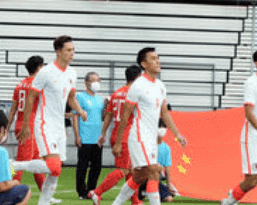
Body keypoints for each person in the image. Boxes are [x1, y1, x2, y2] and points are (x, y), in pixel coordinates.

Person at [15, 36, 89, 205]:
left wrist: (80, 111)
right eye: (68, 50)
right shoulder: (46, 72)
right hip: (44, 123)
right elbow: (31, 97)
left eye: (73, 50)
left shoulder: (72, 73)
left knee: (56, 171)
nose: (72, 53)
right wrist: (26, 124)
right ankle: (17, 165)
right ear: (58, 51)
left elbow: (71, 98)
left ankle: (43, 203)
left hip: (59, 127)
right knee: (53, 166)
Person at [109, 47, 187, 205]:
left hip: (151, 138)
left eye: (158, 58)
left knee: (139, 176)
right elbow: (125, 115)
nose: (157, 61)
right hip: (139, 136)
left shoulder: (160, 86)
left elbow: (164, 114)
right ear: (144, 64)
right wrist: (118, 143)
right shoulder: (138, 85)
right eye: (153, 58)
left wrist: (178, 134)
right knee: (153, 171)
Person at [220, 48, 257, 205]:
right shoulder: (251, 83)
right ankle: (230, 199)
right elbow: (249, 113)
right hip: (253, 137)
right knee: (252, 180)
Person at [90, 65, 143, 205]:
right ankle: (97, 192)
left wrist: (103, 133)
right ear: (138, 77)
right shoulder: (134, 94)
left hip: (116, 134)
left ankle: (135, 200)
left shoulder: (116, 93)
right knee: (124, 170)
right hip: (126, 137)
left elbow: (108, 115)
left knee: (133, 170)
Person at [8, 56, 47, 193]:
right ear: (39, 67)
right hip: (29, 127)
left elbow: (12, 110)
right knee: (21, 162)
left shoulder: (20, 85)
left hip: (22, 124)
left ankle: (45, 193)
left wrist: (7, 129)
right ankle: (9, 190)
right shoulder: (37, 86)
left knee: (37, 160)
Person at [74, 72, 106, 199]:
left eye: (98, 80)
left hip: (97, 138)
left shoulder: (99, 99)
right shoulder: (80, 97)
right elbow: (75, 117)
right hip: (85, 136)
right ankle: (82, 192)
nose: (96, 83)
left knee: (96, 167)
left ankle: (92, 190)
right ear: (86, 82)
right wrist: (77, 136)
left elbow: (102, 117)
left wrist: (106, 109)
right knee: (82, 166)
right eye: (93, 80)